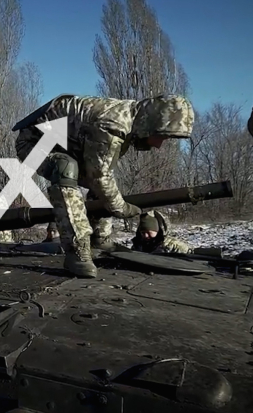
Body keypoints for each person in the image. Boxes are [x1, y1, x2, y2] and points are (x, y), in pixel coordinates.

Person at [14, 93, 194, 278]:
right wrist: (121, 207)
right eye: (161, 136)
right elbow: (99, 176)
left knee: (97, 181)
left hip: (64, 145)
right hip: (33, 145)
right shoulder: (112, 125)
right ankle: (77, 250)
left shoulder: (129, 121)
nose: (159, 145)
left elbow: (101, 174)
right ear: (150, 124)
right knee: (65, 169)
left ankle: (100, 238)